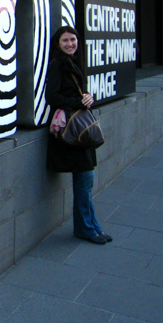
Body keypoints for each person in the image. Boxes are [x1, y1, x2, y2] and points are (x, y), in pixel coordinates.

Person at [45, 25, 112, 245]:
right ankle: (85, 228)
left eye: (73, 40)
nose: (70, 44)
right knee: (84, 180)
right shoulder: (57, 65)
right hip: (71, 131)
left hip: (78, 129)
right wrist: (78, 103)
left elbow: (77, 93)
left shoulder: (74, 63)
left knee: (86, 179)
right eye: (65, 40)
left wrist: (88, 98)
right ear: (58, 44)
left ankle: (92, 225)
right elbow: (52, 97)